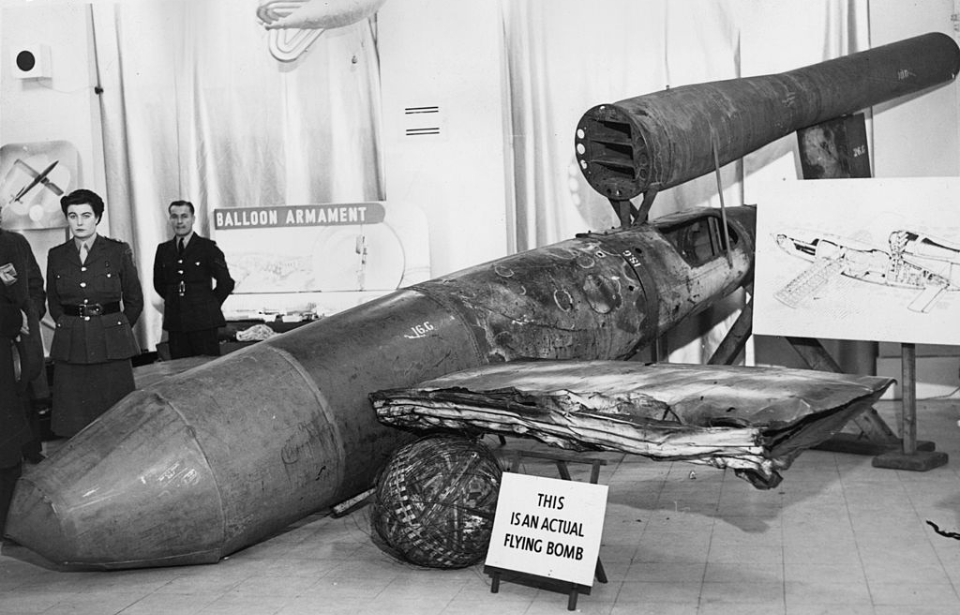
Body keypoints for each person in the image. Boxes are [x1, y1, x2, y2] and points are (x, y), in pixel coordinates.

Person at [47, 189, 143, 438]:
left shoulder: (117, 251)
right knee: (74, 423)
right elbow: (54, 303)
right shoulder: (56, 255)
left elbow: (134, 300)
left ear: (98, 218)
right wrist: (71, 327)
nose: (79, 222)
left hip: (111, 346)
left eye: (86, 215)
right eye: (72, 215)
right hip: (72, 345)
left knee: (117, 421)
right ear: (66, 219)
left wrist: (116, 329)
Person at [0, 213, 44, 533]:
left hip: (9, 356)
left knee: (8, 445)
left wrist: (25, 316)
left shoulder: (13, 243)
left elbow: (31, 289)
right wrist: (13, 319)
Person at [153, 200, 234, 359]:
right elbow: (160, 283)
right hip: (176, 322)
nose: (179, 221)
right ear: (170, 219)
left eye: (184, 216)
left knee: (207, 369)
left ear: (193, 219)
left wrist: (208, 305)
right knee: (180, 372)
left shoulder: (207, 247)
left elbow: (226, 282)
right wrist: (176, 301)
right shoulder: (163, 250)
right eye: (174, 217)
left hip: (204, 323)